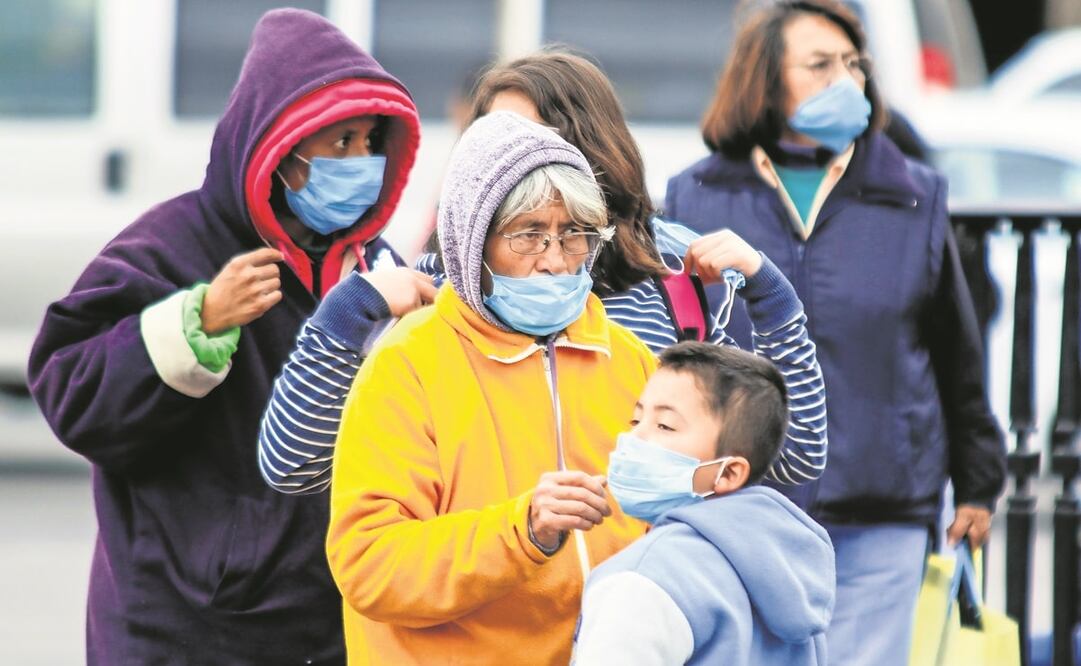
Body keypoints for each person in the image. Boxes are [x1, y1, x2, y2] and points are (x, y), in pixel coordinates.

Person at [26, 9, 429, 664]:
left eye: (369, 142)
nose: (360, 162)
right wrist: (198, 321)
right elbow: (70, 391)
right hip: (177, 628)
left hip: (325, 625)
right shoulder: (168, 246)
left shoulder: (375, 268)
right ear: (279, 149)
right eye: (339, 143)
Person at [259, 48, 826, 496]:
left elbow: (785, 458)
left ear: (592, 153)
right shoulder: (441, 291)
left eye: (528, 144)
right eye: (484, 144)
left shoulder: (676, 283)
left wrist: (773, 301)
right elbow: (299, 466)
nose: (499, 166)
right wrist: (342, 319)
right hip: (486, 616)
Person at [663, 2, 1006, 664]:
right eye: (819, 65)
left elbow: (954, 350)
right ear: (764, 78)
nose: (843, 80)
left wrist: (976, 483)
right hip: (745, 504)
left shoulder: (912, 195)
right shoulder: (695, 196)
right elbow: (674, 352)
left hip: (883, 509)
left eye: (853, 65)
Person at [325, 111, 655, 664]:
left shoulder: (629, 359)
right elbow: (370, 564)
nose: (554, 261)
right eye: (529, 235)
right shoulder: (408, 362)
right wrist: (522, 529)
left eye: (573, 234)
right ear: (471, 242)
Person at [573, 342, 835, 665]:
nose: (632, 440)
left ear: (728, 473)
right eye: (635, 420)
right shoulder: (791, 572)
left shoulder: (643, 579)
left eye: (665, 425)